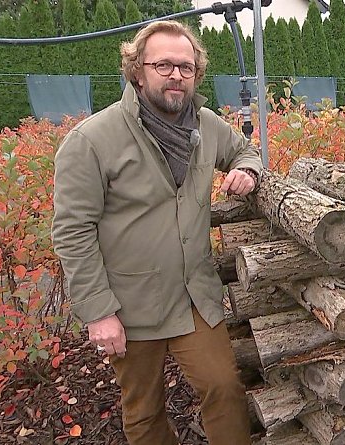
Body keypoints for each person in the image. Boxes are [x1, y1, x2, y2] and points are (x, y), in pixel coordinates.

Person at [51, 20, 262, 445]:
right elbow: (73, 231)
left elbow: (244, 149)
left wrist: (247, 169)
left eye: (186, 67)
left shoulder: (206, 125)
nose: (176, 76)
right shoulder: (91, 140)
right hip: (129, 307)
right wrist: (98, 311)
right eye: (163, 65)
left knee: (224, 388)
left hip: (194, 297)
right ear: (137, 70)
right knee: (144, 411)